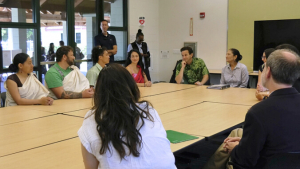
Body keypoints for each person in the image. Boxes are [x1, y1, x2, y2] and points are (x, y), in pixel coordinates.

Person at [204, 49, 300, 169]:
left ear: (268, 72)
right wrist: (245, 142)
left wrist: (236, 148)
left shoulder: (258, 112)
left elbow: (244, 161)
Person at [78, 63, 176, 169]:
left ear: (99, 91)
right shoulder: (148, 110)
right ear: (131, 86)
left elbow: (90, 167)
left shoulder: (93, 118)